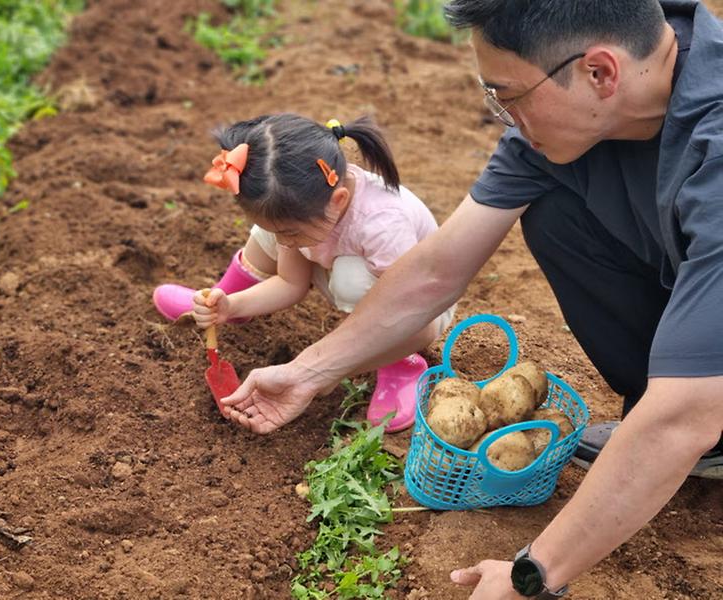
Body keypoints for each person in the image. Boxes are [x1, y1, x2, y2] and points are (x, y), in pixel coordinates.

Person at [220, 0, 723, 597]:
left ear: (599, 73)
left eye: (506, 95)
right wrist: (309, 372)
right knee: (557, 213)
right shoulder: (566, 123)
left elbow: (683, 414)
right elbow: (437, 270)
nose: (503, 117)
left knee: (687, 412)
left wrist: (535, 574)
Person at [152, 113, 455, 432]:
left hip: (417, 312)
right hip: (334, 254)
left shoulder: (382, 225)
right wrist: (232, 306)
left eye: (291, 234)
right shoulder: (307, 204)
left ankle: (400, 364)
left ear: (338, 201)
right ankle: (228, 294)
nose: (285, 242)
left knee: (351, 279)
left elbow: (422, 322)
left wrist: (328, 368)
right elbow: (290, 282)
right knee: (274, 230)